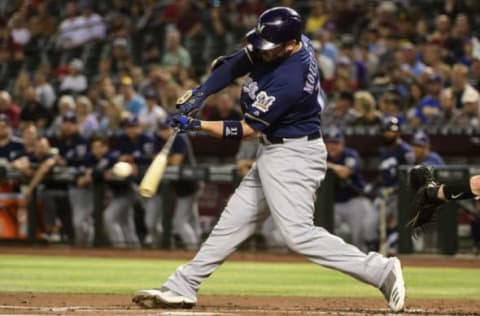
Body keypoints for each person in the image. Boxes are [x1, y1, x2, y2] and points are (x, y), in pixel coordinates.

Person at [133, 7, 405, 312]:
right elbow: (241, 59)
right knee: (232, 222)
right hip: (277, 151)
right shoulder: (288, 42)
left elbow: (247, 130)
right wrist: (202, 92)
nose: (264, 50)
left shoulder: (290, 78)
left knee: (298, 235)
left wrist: (197, 126)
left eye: (271, 47)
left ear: (291, 45)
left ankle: (380, 270)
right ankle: (183, 285)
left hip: (295, 154)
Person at [143, 118, 201, 249]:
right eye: (161, 129)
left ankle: (194, 251)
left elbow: (175, 161)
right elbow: (155, 159)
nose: (164, 132)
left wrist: (161, 160)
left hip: (189, 185)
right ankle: (194, 248)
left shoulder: (180, 138)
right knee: (190, 219)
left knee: (181, 222)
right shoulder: (158, 140)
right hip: (176, 185)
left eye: (166, 129)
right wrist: (163, 160)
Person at [325, 127, 378, 252]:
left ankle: (365, 262)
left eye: (336, 143)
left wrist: (331, 167)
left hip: (353, 201)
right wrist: (332, 167)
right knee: (326, 231)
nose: (332, 146)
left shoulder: (350, 154)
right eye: (330, 143)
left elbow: (345, 172)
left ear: (342, 144)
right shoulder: (321, 155)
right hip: (332, 204)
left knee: (358, 236)